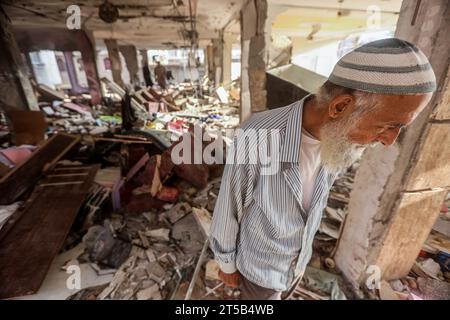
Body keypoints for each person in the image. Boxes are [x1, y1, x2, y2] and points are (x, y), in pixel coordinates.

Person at [209, 38, 436, 300]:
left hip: (296, 266)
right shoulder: (260, 133)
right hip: (259, 271)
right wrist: (226, 263)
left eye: (400, 129)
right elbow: (229, 206)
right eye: (387, 126)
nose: (388, 140)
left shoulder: (338, 142)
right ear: (340, 106)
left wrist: (300, 262)